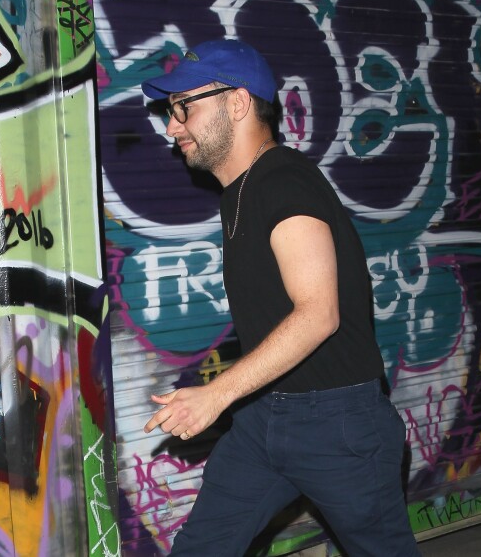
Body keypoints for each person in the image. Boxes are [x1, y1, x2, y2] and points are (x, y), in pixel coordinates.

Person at [141, 39, 420, 557]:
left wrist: (217, 393)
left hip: (339, 426)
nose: (172, 125)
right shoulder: (240, 192)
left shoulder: (285, 182)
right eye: (171, 110)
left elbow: (319, 314)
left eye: (185, 107)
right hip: (263, 420)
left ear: (239, 103)